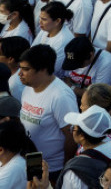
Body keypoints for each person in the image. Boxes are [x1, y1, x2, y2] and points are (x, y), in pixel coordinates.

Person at [18, 45, 78, 173]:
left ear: (43, 70)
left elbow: (72, 135)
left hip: (52, 168)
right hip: (32, 161)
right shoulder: (28, 87)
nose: (20, 74)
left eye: (26, 69)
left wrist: (66, 167)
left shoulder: (61, 96)